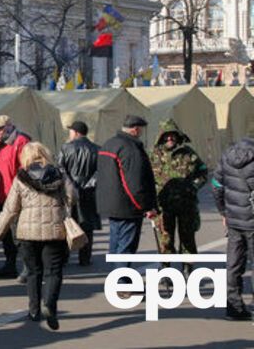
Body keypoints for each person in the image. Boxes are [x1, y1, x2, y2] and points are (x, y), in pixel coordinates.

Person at [0, 142, 76, 331]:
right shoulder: (59, 174)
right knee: (53, 271)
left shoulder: (21, 177)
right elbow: (72, 196)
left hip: (27, 233)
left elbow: (10, 208)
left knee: (33, 271)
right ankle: (50, 305)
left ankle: (34, 310)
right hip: (54, 231)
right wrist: (63, 207)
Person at [96, 115, 157, 276]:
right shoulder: (130, 148)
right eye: (141, 129)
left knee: (116, 244)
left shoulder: (108, 144)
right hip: (127, 205)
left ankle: (117, 278)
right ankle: (122, 283)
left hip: (111, 204)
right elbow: (134, 182)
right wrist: (145, 206)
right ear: (135, 129)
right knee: (126, 247)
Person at [149, 120, 207, 273]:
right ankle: (167, 271)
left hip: (187, 204)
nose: (170, 139)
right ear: (161, 137)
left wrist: (194, 186)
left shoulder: (188, 153)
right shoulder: (153, 156)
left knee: (187, 239)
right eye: (167, 136)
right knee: (166, 240)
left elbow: (203, 172)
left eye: (173, 136)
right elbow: (145, 179)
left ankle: (188, 269)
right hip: (163, 206)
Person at [0, 114, 32, 279]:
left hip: (16, 196)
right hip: (0, 196)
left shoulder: (21, 142)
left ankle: (28, 268)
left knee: (20, 233)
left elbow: (28, 168)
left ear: (7, 128)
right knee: (6, 234)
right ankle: (10, 265)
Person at [212, 136, 254, 320]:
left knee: (233, 264)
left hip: (234, 220)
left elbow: (216, 185)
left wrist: (223, 212)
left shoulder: (227, 155)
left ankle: (233, 307)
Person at [56, 121, 100, 266]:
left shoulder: (66, 148)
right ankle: (85, 258)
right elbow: (100, 172)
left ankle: (64, 257)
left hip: (69, 192)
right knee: (87, 225)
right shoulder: (96, 149)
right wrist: (88, 184)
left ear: (75, 132)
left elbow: (60, 169)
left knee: (67, 223)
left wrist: (70, 185)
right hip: (89, 192)